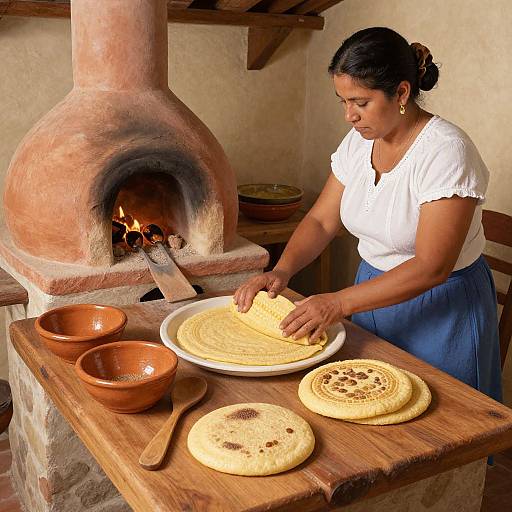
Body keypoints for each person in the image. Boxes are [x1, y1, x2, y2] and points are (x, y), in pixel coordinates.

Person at [234, 26, 502, 402]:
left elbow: (431, 266)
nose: (349, 116)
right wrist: (281, 270)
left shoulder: (447, 152)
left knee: (442, 431)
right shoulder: (359, 143)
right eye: (343, 101)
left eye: (360, 102)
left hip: (441, 307)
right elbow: (321, 220)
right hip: (370, 296)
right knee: (369, 406)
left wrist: (338, 302)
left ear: (402, 93)